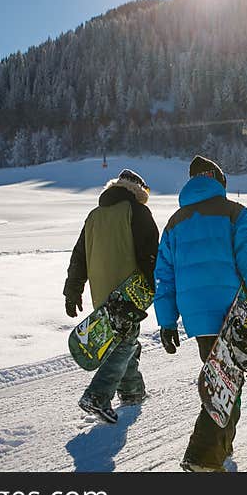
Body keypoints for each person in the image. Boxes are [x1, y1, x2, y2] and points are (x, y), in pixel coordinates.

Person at [154, 155, 247, 472]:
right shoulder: (235, 213)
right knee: (225, 384)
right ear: (218, 181)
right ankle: (203, 456)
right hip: (231, 313)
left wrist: (167, 322)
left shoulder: (175, 223)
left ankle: (221, 447)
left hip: (198, 319)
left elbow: (164, 278)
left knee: (222, 378)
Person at [63, 169, 159, 423]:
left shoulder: (94, 216)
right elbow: (150, 255)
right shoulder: (137, 212)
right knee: (126, 341)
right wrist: (154, 288)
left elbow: (79, 256)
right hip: (128, 292)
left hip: (101, 292)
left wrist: (73, 290)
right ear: (137, 190)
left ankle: (132, 391)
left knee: (124, 340)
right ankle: (97, 395)